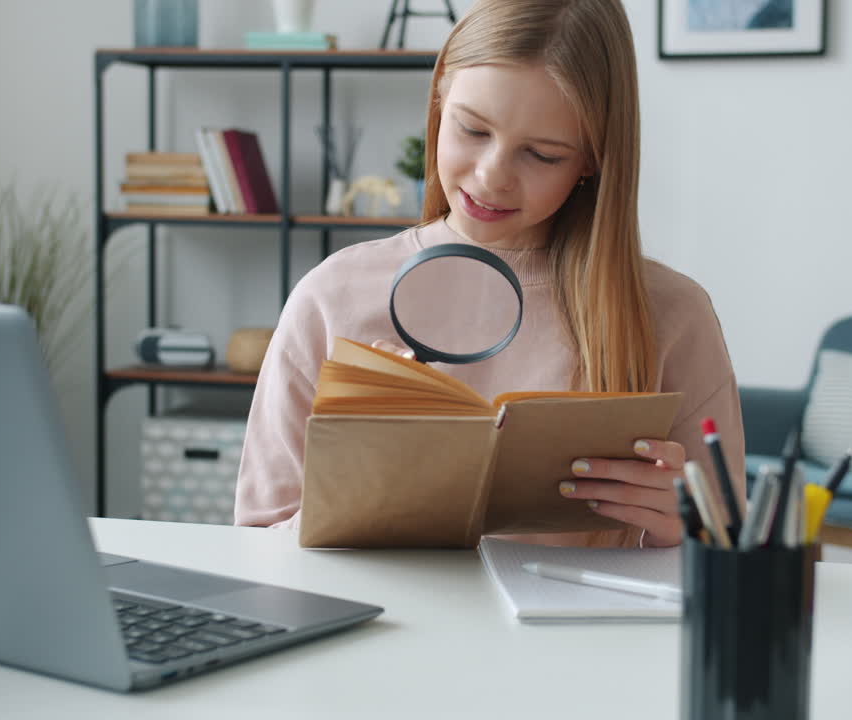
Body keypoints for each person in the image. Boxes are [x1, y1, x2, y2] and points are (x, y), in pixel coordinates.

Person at [235, 0, 745, 548]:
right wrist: (360, 493)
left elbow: (730, 556)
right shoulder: (332, 296)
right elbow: (257, 544)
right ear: (439, 101)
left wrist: (682, 534)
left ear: (592, 161)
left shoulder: (670, 314)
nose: (492, 176)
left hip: (580, 635)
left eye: (543, 155)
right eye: (473, 130)